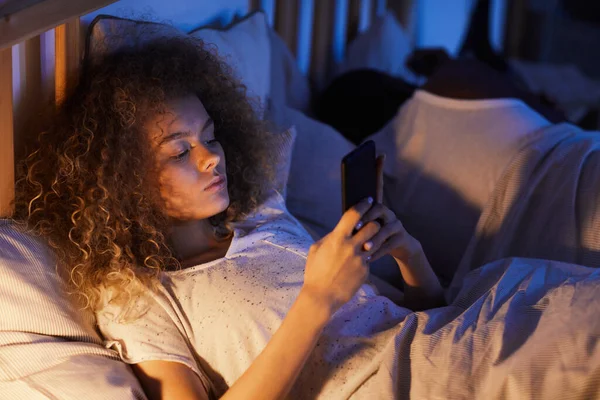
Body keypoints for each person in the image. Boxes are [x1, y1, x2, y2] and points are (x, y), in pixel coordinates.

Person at [14, 36, 443, 400]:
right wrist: (317, 299)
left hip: (447, 345)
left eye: (210, 136)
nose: (211, 158)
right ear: (123, 179)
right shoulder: (138, 298)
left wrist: (410, 255)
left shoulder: (264, 216)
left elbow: (417, 321)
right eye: (180, 151)